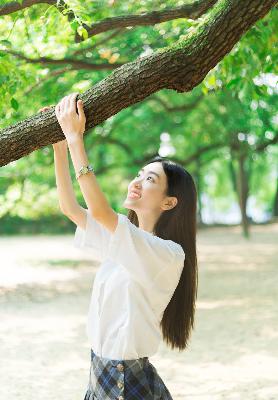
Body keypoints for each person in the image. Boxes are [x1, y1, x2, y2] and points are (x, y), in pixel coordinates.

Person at [39, 92, 198, 400]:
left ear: (169, 202)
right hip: (100, 373)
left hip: (125, 381)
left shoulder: (166, 255)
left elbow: (99, 212)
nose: (136, 182)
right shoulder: (125, 242)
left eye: (149, 179)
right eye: (138, 175)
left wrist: (76, 138)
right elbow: (71, 208)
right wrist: (60, 148)